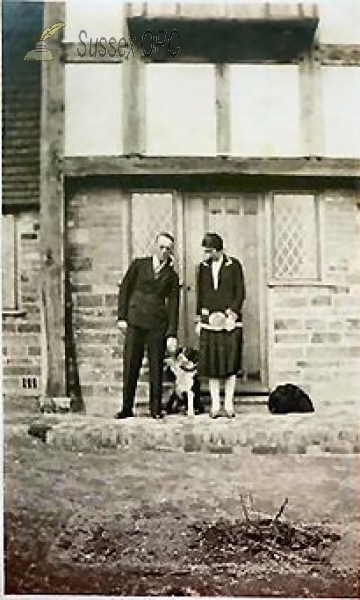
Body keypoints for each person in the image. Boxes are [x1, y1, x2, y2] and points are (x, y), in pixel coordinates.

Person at [115, 232, 180, 419]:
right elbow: (124, 290)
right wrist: (121, 317)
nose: (164, 251)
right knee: (131, 365)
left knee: (156, 367)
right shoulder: (138, 265)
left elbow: (174, 305)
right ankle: (127, 408)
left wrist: (172, 333)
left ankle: (155, 409)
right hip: (135, 321)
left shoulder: (172, 276)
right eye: (161, 247)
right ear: (154, 247)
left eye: (168, 249)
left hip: (157, 325)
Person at [195, 232, 245, 418]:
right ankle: (215, 405)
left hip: (229, 321)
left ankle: (229, 404)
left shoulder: (234, 265)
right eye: (205, 251)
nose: (207, 254)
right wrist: (202, 317)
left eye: (210, 251)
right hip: (210, 322)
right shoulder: (203, 267)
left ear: (219, 250)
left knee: (230, 364)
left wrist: (231, 313)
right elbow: (200, 294)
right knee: (213, 364)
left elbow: (240, 292)